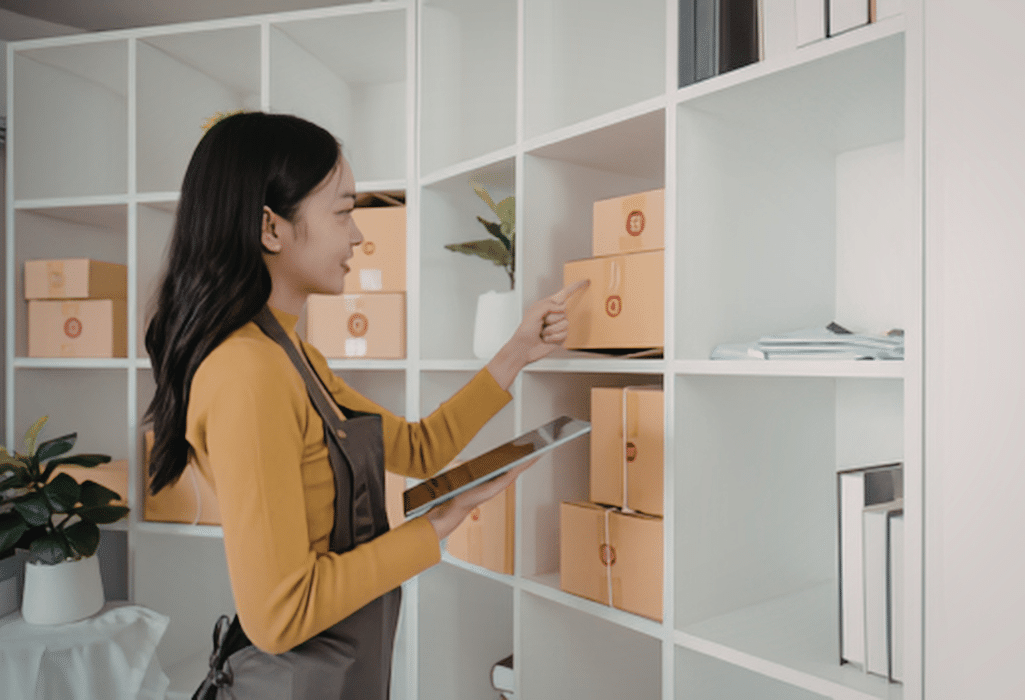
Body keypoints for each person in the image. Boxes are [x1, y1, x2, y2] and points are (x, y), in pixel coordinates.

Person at [143, 111, 586, 700]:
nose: (357, 235)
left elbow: (420, 446)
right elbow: (279, 614)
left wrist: (517, 352)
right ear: (270, 228)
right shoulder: (248, 370)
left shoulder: (291, 355)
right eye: (344, 211)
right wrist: (432, 529)